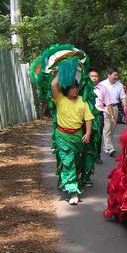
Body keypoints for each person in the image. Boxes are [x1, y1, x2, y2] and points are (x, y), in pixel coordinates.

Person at [51, 72, 94, 205]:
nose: (74, 90)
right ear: (66, 89)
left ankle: (69, 181)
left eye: (76, 87)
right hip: (62, 136)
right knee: (67, 161)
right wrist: (60, 71)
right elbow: (53, 84)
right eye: (71, 87)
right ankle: (72, 191)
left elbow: (88, 118)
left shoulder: (83, 100)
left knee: (75, 162)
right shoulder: (60, 99)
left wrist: (87, 133)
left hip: (77, 137)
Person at [88, 68, 116, 164]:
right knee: (85, 135)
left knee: (98, 136)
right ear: (88, 77)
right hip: (84, 115)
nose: (94, 78)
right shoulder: (84, 87)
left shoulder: (103, 88)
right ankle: (86, 156)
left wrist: (112, 116)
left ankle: (97, 156)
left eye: (96, 76)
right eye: (92, 76)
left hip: (98, 114)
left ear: (98, 78)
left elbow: (108, 103)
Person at [99, 67, 127, 157]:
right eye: (114, 75)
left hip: (115, 108)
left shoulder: (120, 85)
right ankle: (110, 148)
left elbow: (122, 97)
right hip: (104, 108)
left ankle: (107, 146)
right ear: (109, 75)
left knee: (112, 128)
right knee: (107, 127)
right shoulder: (102, 84)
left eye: (117, 75)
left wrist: (125, 106)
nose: (116, 77)